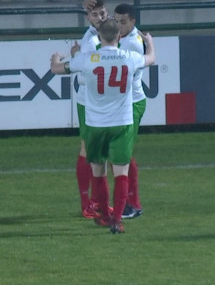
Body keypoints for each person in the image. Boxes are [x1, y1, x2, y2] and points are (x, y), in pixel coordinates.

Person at [51, 18, 156, 233]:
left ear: (99, 37)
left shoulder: (88, 59)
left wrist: (56, 58)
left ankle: (105, 216)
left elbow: (56, 69)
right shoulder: (129, 58)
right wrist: (150, 43)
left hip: (95, 124)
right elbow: (151, 59)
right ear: (119, 36)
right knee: (121, 173)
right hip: (122, 124)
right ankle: (117, 220)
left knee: (98, 173)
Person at [74, 0, 109, 219]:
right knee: (88, 150)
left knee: (98, 152)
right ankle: (88, 202)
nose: (100, 17)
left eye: (103, 13)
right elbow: (86, 76)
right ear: (87, 18)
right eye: (95, 14)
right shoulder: (89, 42)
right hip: (90, 101)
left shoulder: (109, 33)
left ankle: (95, 201)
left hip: (102, 101)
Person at [114, 3, 146, 219]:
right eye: (116, 21)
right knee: (120, 154)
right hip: (123, 103)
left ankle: (132, 205)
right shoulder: (126, 39)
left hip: (132, 103)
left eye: (122, 22)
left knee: (123, 155)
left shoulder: (132, 44)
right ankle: (128, 202)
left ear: (133, 22)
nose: (118, 26)